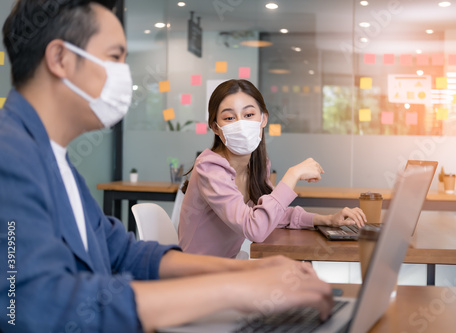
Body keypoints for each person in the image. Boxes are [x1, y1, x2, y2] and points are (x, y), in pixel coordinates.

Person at [0, 1, 334, 332]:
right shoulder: (9, 156)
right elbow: (28, 305)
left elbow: (123, 254)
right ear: (60, 59)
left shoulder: (53, 159)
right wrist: (235, 291)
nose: (124, 73)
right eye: (115, 57)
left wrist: (248, 273)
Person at [178, 79, 366, 258]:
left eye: (249, 115)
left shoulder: (256, 166)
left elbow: (274, 213)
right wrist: (292, 175)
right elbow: (255, 229)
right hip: (196, 276)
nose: (241, 124)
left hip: (225, 268)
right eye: (229, 117)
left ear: (263, 119)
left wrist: (328, 220)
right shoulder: (210, 168)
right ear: (215, 128)